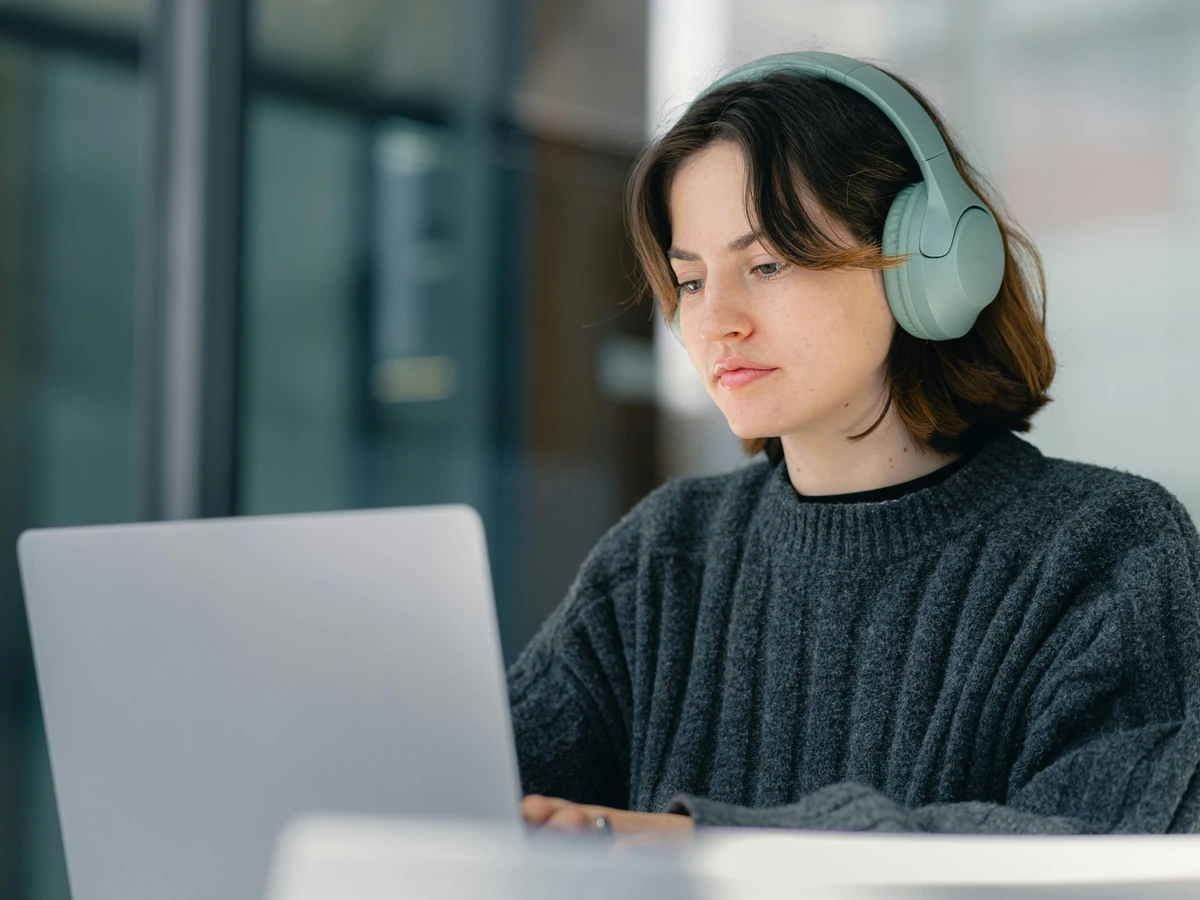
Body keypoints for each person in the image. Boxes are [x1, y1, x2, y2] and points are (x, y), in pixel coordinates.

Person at [508, 52, 1200, 842]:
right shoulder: (666, 555)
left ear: (931, 260)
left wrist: (692, 846)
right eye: (692, 280)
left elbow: (1093, 852)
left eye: (766, 263)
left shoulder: (1108, 549)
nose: (715, 321)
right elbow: (477, 792)